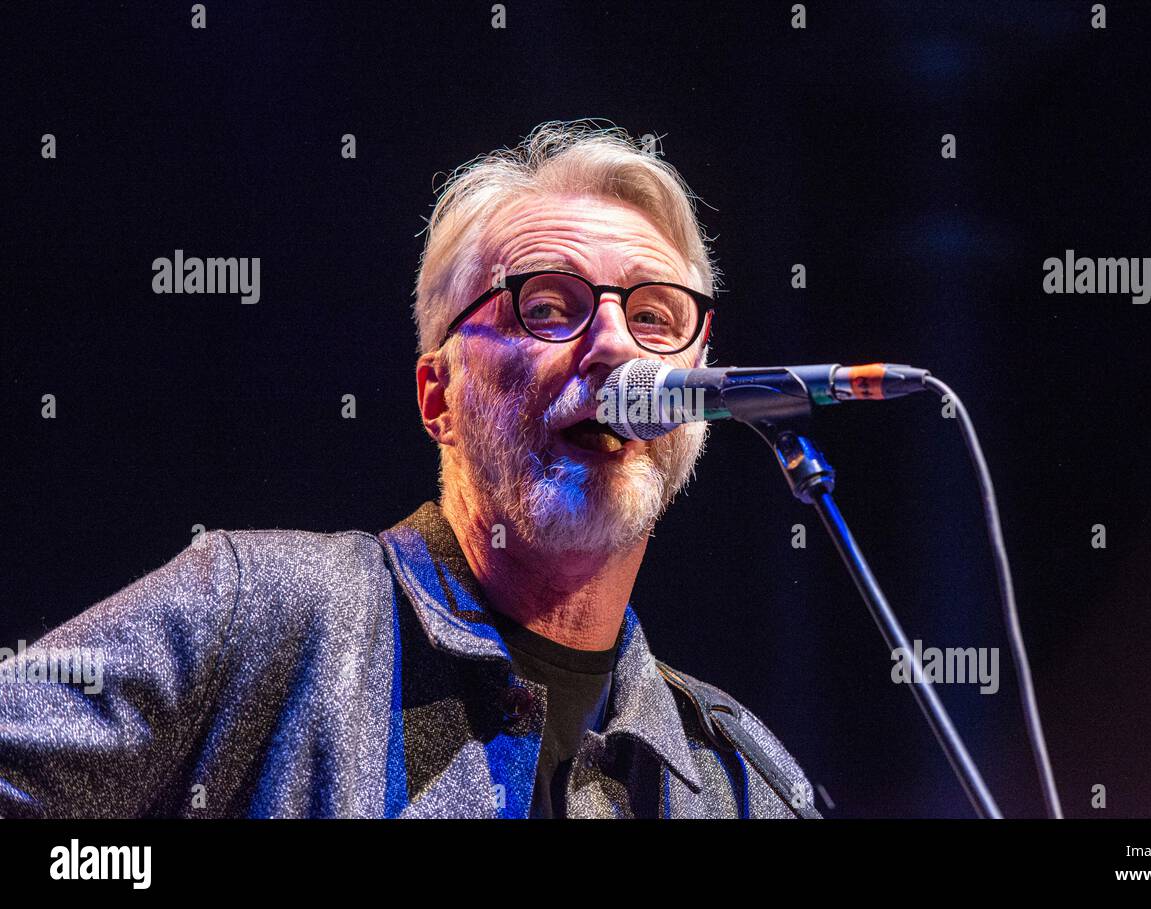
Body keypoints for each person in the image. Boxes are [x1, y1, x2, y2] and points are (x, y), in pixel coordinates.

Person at [0, 120, 819, 819]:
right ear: (440, 396)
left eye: (653, 315)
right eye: (546, 305)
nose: (615, 346)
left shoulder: (746, 778)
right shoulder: (261, 612)